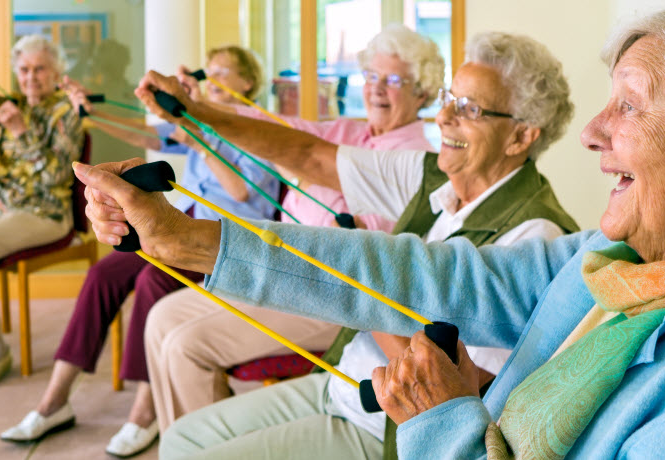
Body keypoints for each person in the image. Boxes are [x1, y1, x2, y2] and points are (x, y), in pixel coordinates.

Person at [77, 6, 665, 458]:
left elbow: (448, 367)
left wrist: (450, 418)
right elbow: (422, 272)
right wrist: (187, 240)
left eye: (630, 108)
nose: (595, 134)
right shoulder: (615, 260)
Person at [94, 27, 577, 458]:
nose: (445, 118)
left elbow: (462, 388)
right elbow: (306, 151)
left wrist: (360, 288)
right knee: (180, 441)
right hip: (344, 378)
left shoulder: (537, 235)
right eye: (451, 98)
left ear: (520, 137)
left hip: (384, 423)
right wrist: (196, 112)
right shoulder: (432, 176)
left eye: (469, 109)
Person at [144, 24, 444, 433]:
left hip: (332, 296)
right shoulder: (349, 132)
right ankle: (187, 443)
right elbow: (282, 134)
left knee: (184, 346)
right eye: (371, 76)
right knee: (160, 319)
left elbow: (371, 243)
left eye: (392, 81)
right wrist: (196, 107)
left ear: (422, 92)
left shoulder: (416, 157)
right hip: (278, 271)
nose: (376, 89)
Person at [0, 46, 279, 458]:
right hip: (187, 225)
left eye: (224, 71)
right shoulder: (203, 121)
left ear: (247, 82)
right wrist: (90, 113)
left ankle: (144, 411)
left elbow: (241, 192)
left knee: (153, 280)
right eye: (210, 71)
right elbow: (145, 135)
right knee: (103, 274)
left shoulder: (260, 129)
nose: (212, 77)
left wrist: (199, 139)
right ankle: (53, 401)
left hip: (229, 241)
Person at [0, 35, 84, 383]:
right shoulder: (13, 104)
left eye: (40, 69)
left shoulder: (66, 112)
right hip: (8, 210)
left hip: (47, 214)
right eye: (24, 69)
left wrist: (20, 131)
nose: (31, 76)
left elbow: (56, 176)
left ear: (56, 71)